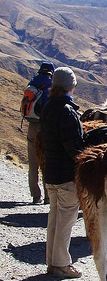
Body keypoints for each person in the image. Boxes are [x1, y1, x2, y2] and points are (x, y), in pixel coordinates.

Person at [40, 67, 83, 278]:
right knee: (66, 221)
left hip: (51, 173)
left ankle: (52, 261)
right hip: (66, 175)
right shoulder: (67, 111)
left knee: (55, 219)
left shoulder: (48, 107)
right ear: (70, 86)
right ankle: (62, 265)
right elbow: (73, 146)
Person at [26, 61, 54, 204]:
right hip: (45, 128)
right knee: (46, 161)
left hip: (31, 125)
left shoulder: (33, 82)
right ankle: (48, 196)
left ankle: (36, 196)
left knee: (33, 163)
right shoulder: (50, 85)